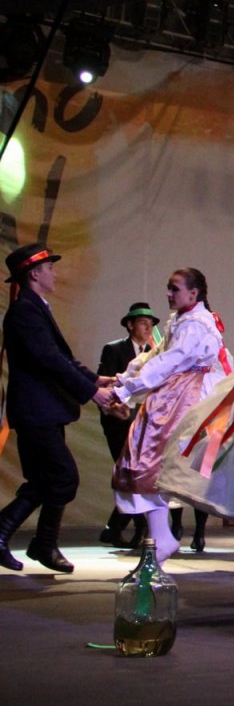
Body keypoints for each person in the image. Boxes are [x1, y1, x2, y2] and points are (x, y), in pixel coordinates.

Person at [0, 244, 117, 573]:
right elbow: (50, 360)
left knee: (43, 480)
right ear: (34, 274)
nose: (55, 273)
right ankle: (38, 542)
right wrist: (92, 392)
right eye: (50, 268)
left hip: (42, 411)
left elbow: (61, 358)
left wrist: (95, 379)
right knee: (62, 478)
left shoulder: (34, 307)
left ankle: (42, 544)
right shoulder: (25, 311)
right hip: (37, 411)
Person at [110, 268, 231, 564]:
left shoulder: (197, 324)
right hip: (176, 391)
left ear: (194, 293)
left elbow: (170, 360)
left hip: (190, 395)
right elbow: (157, 354)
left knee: (157, 459)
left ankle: (163, 535)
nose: (168, 294)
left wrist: (127, 389)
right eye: (168, 288)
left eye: (174, 289)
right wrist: (125, 378)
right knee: (147, 461)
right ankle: (161, 535)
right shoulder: (181, 319)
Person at [97, 301, 159, 549]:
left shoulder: (156, 353)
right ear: (130, 325)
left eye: (151, 323)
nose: (148, 328)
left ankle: (116, 528)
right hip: (119, 421)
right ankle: (137, 528)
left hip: (146, 423)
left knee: (139, 473)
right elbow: (107, 385)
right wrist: (116, 406)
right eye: (143, 323)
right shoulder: (114, 350)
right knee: (127, 471)